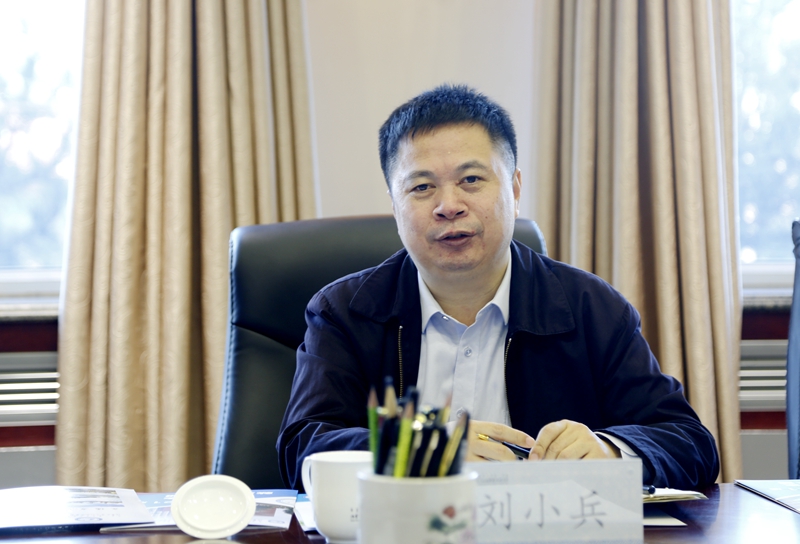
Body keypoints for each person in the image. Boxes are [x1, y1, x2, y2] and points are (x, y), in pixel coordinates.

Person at [277, 84, 719, 490]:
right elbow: (304, 446)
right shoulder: (345, 312)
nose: (449, 206)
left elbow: (688, 442)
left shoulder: (591, 307)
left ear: (515, 188)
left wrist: (609, 452)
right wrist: (422, 451)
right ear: (395, 206)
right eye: (422, 187)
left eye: (471, 180)